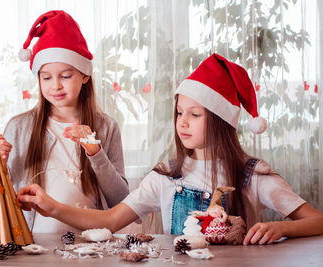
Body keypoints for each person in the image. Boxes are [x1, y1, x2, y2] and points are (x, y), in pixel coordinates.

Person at [16, 53, 323, 245]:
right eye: (179, 113)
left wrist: (281, 227)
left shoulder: (251, 175)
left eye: (195, 114)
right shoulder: (165, 176)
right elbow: (110, 220)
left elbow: (316, 220)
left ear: (220, 121)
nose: (183, 123)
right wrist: (52, 206)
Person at [0, 10, 129, 234]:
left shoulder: (106, 127)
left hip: (90, 246)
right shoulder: (18, 128)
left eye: (66, 76)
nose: (55, 86)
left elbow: (120, 200)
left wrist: (96, 154)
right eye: (46, 77)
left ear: (85, 75)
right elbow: (0, 201)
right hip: (35, 246)